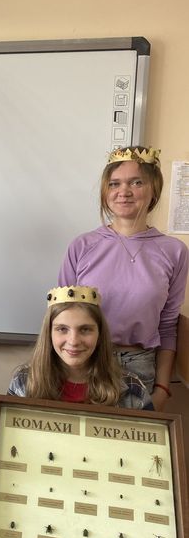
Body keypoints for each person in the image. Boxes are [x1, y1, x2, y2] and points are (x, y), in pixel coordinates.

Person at [0, 286, 156, 538]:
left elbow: (154, 472)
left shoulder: (130, 390)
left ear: (100, 333)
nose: (73, 340)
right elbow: (3, 456)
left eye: (85, 329)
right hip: (36, 521)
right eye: (62, 329)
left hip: (110, 526)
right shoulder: (25, 384)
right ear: (49, 332)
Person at [59, 146, 188, 411]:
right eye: (114, 184)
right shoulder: (82, 246)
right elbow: (59, 317)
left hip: (140, 368)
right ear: (105, 192)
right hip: (85, 363)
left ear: (154, 189)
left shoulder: (174, 252)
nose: (124, 191)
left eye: (136, 182)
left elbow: (167, 326)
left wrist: (162, 389)